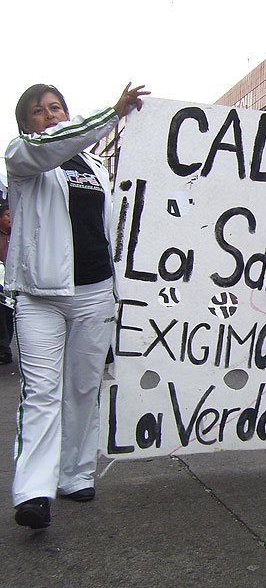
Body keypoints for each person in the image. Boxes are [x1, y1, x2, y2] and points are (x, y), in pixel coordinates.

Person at [6, 82, 149, 529]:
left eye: (56, 108)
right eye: (38, 111)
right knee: (43, 393)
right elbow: (51, 146)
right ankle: (33, 492)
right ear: (25, 123)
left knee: (85, 387)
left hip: (93, 292)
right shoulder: (23, 157)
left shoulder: (93, 165)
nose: (49, 115)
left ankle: (75, 474)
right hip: (39, 296)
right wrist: (113, 112)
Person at [0, 202, 13, 364]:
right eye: (7, 215)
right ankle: (4, 349)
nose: (11, 219)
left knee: (9, 316)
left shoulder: (17, 235)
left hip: (12, 281)